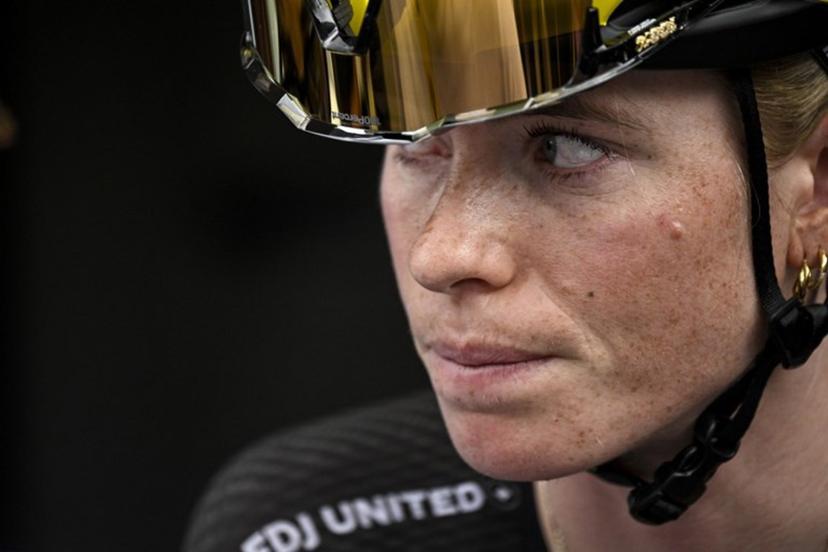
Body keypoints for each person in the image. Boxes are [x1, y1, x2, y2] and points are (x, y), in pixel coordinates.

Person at [186, 1, 828, 550]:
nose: (439, 257)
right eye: (415, 144)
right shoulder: (294, 527)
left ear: (818, 192)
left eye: (565, 147)